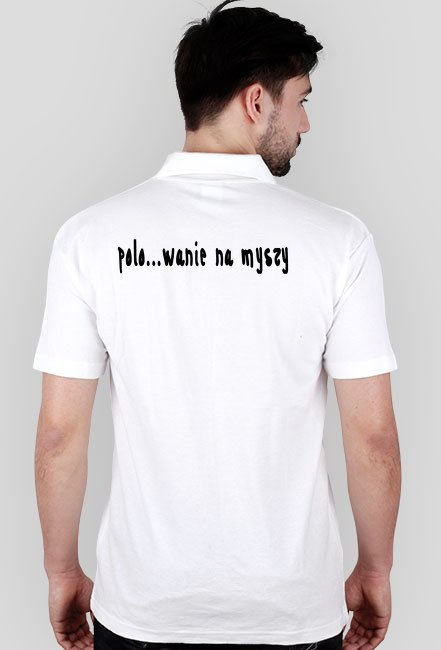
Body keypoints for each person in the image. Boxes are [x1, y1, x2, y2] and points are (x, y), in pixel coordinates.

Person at [32, 1, 401, 649]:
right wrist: (375, 569)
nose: (306, 122)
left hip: (144, 606)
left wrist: (62, 572)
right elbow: (372, 439)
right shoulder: (338, 242)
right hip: (291, 608)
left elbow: (60, 436)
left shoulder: (89, 238)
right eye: (300, 100)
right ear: (256, 101)